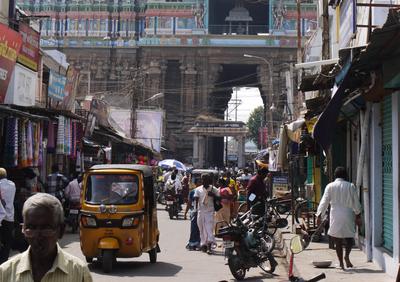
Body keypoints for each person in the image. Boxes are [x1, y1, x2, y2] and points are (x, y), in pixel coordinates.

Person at [0, 193, 93, 281]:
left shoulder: (79, 272)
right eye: (31, 228)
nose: (38, 236)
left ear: (61, 231)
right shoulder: (5, 272)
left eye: (46, 228)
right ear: (23, 230)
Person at [316, 166, 362, 270]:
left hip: (335, 214)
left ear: (335, 176)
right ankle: (347, 256)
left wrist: (319, 215)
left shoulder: (330, 186)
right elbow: (356, 202)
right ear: (345, 175)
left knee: (338, 241)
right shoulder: (351, 186)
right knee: (350, 238)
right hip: (348, 214)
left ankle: (341, 262)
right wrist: (358, 215)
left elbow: (324, 202)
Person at [194, 173, 220, 254]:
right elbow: (196, 200)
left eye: (206, 179)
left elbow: (220, 198)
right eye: (203, 179)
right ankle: (204, 244)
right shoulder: (198, 189)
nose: (204, 181)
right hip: (200, 212)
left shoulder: (214, 189)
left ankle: (209, 246)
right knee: (201, 229)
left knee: (208, 229)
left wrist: (213, 195)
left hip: (210, 212)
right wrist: (195, 210)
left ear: (209, 180)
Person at [0, 167, 16, 264]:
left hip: (1, 218)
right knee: (7, 241)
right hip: (9, 216)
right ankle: (4, 260)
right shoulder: (12, 184)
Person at [184, 183, 201, 251]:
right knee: (195, 228)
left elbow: (189, 203)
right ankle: (194, 243)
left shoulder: (195, 191)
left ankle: (195, 243)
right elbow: (189, 203)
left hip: (198, 212)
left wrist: (185, 213)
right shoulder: (193, 192)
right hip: (195, 212)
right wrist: (185, 213)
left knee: (196, 228)